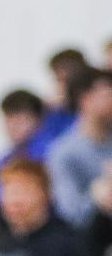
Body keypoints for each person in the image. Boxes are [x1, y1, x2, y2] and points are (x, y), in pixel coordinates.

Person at [47, 66, 112, 226]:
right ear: (85, 99)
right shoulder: (64, 152)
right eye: (107, 94)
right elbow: (69, 212)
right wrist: (97, 197)